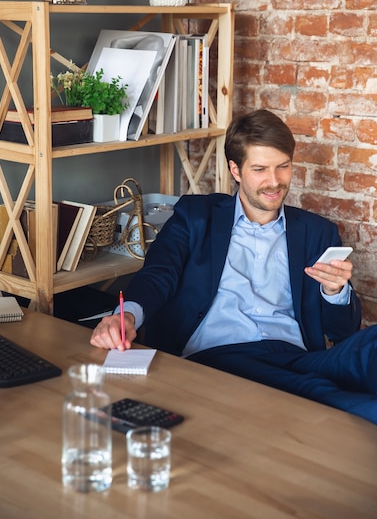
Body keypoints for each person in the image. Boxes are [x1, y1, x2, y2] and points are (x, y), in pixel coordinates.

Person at [91, 109, 377, 424]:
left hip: (300, 358)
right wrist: (126, 316)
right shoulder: (196, 216)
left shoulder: (317, 232)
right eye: (260, 169)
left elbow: (343, 332)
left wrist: (334, 290)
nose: (274, 181)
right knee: (333, 399)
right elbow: (160, 273)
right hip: (222, 359)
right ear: (235, 170)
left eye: (283, 166)